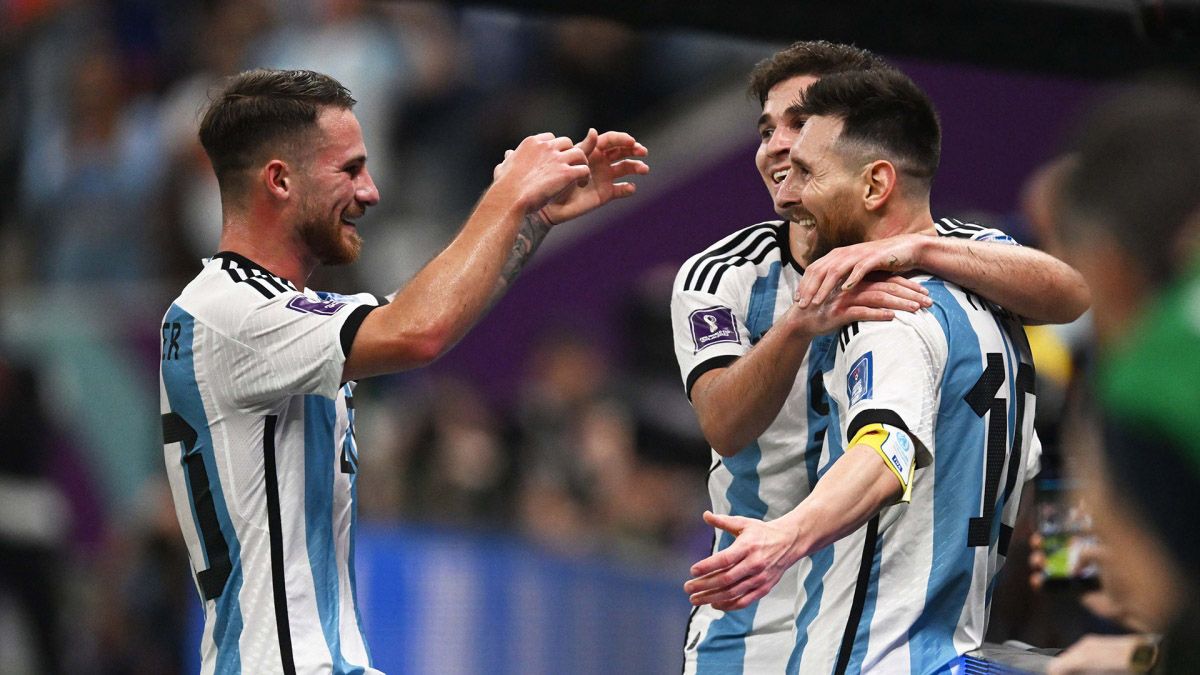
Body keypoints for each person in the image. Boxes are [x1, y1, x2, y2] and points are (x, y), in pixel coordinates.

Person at [158, 68, 647, 674]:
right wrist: (503, 198)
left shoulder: (262, 311)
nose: (371, 192)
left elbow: (410, 314)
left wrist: (528, 221)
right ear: (280, 180)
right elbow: (418, 330)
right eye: (350, 169)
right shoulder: (235, 311)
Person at [671, 41, 1088, 674]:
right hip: (757, 611)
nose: (779, 146)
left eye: (801, 125)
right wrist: (797, 327)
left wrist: (916, 251)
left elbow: (1071, 294)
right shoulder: (722, 276)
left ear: (870, 169)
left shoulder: (910, 292)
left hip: (872, 620)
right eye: (767, 128)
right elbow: (724, 425)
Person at [1032, 75, 1200, 675]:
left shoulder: (1143, 377)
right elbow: (1058, 476)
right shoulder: (1071, 356)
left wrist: (1156, 637)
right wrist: (1066, 566)